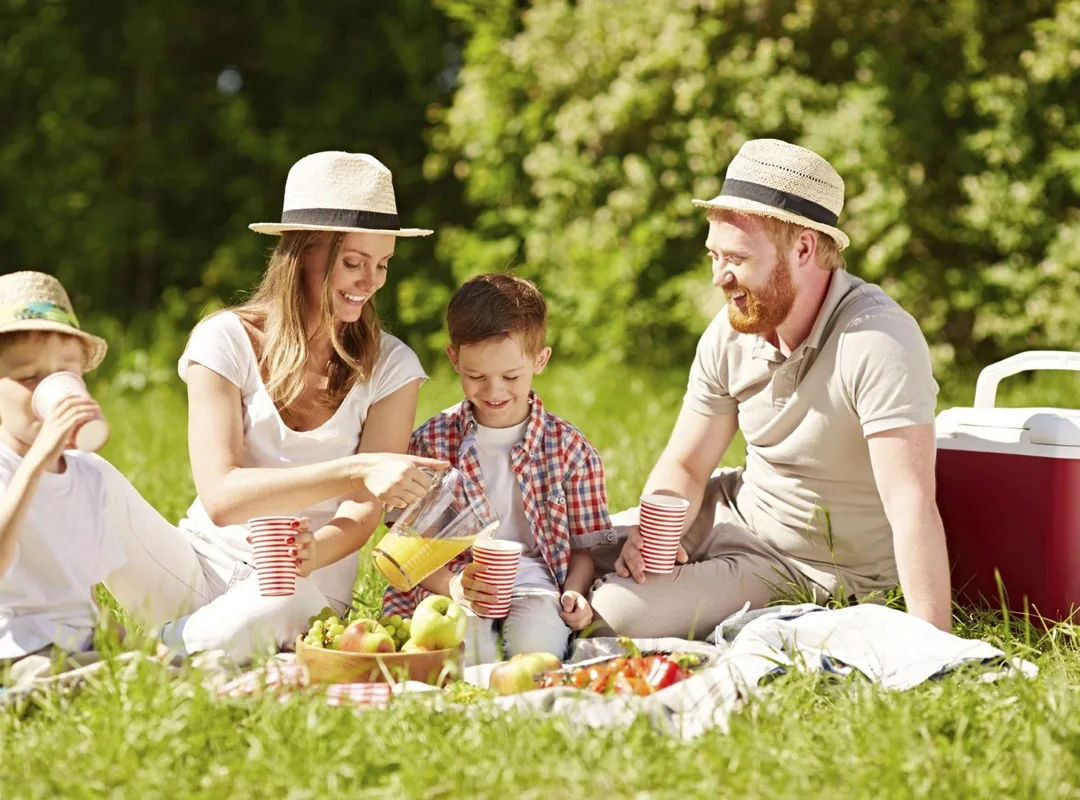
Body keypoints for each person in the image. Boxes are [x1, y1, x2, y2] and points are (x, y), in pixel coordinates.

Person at [0, 151, 449, 670]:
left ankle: (151, 662)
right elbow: (222, 498)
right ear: (304, 252)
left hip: (302, 588)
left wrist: (314, 551)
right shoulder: (225, 340)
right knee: (79, 474)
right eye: (354, 261)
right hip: (194, 566)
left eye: (383, 264)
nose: (370, 282)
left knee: (281, 600)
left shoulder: (392, 366)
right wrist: (355, 469)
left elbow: (364, 513)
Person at [589, 139, 953, 640]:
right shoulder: (732, 328)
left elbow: (910, 502)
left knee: (614, 610)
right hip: (736, 508)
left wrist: (932, 645)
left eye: (736, 257)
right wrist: (655, 534)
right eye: (714, 255)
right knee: (574, 546)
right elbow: (688, 465)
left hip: (810, 566)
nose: (719, 276)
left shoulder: (877, 339)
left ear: (803, 248)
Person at [381, 274, 616, 663]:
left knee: (536, 649)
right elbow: (406, 547)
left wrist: (574, 591)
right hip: (455, 579)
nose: (493, 391)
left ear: (540, 360)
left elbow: (582, 551)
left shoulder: (571, 450)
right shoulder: (431, 444)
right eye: (475, 377)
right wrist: (452, 585)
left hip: (535, 581)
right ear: (454, 358)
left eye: (510, 376)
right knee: (467, 656)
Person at [0, 271, 127, 683]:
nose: (48, 390)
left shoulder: (89, 477)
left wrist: (121, 640)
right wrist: (35, 463)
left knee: (159, 664)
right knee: (85, 674)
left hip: (68, 644)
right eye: (28, 378)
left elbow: (80, 589)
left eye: (64, 374)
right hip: (1, 649)